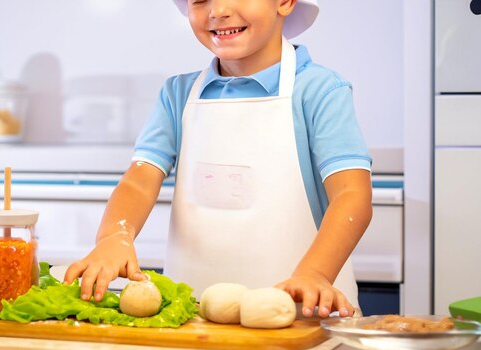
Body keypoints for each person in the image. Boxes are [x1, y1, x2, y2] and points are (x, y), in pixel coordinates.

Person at [64, 0, 373, 319]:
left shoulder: (320, 91)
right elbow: (140, 180)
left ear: (284, 2)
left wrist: (316, 275)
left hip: (304, 315)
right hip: (194, 322)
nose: (218, 10)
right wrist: (114, 235)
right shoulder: (178, 94)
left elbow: (352, 196)